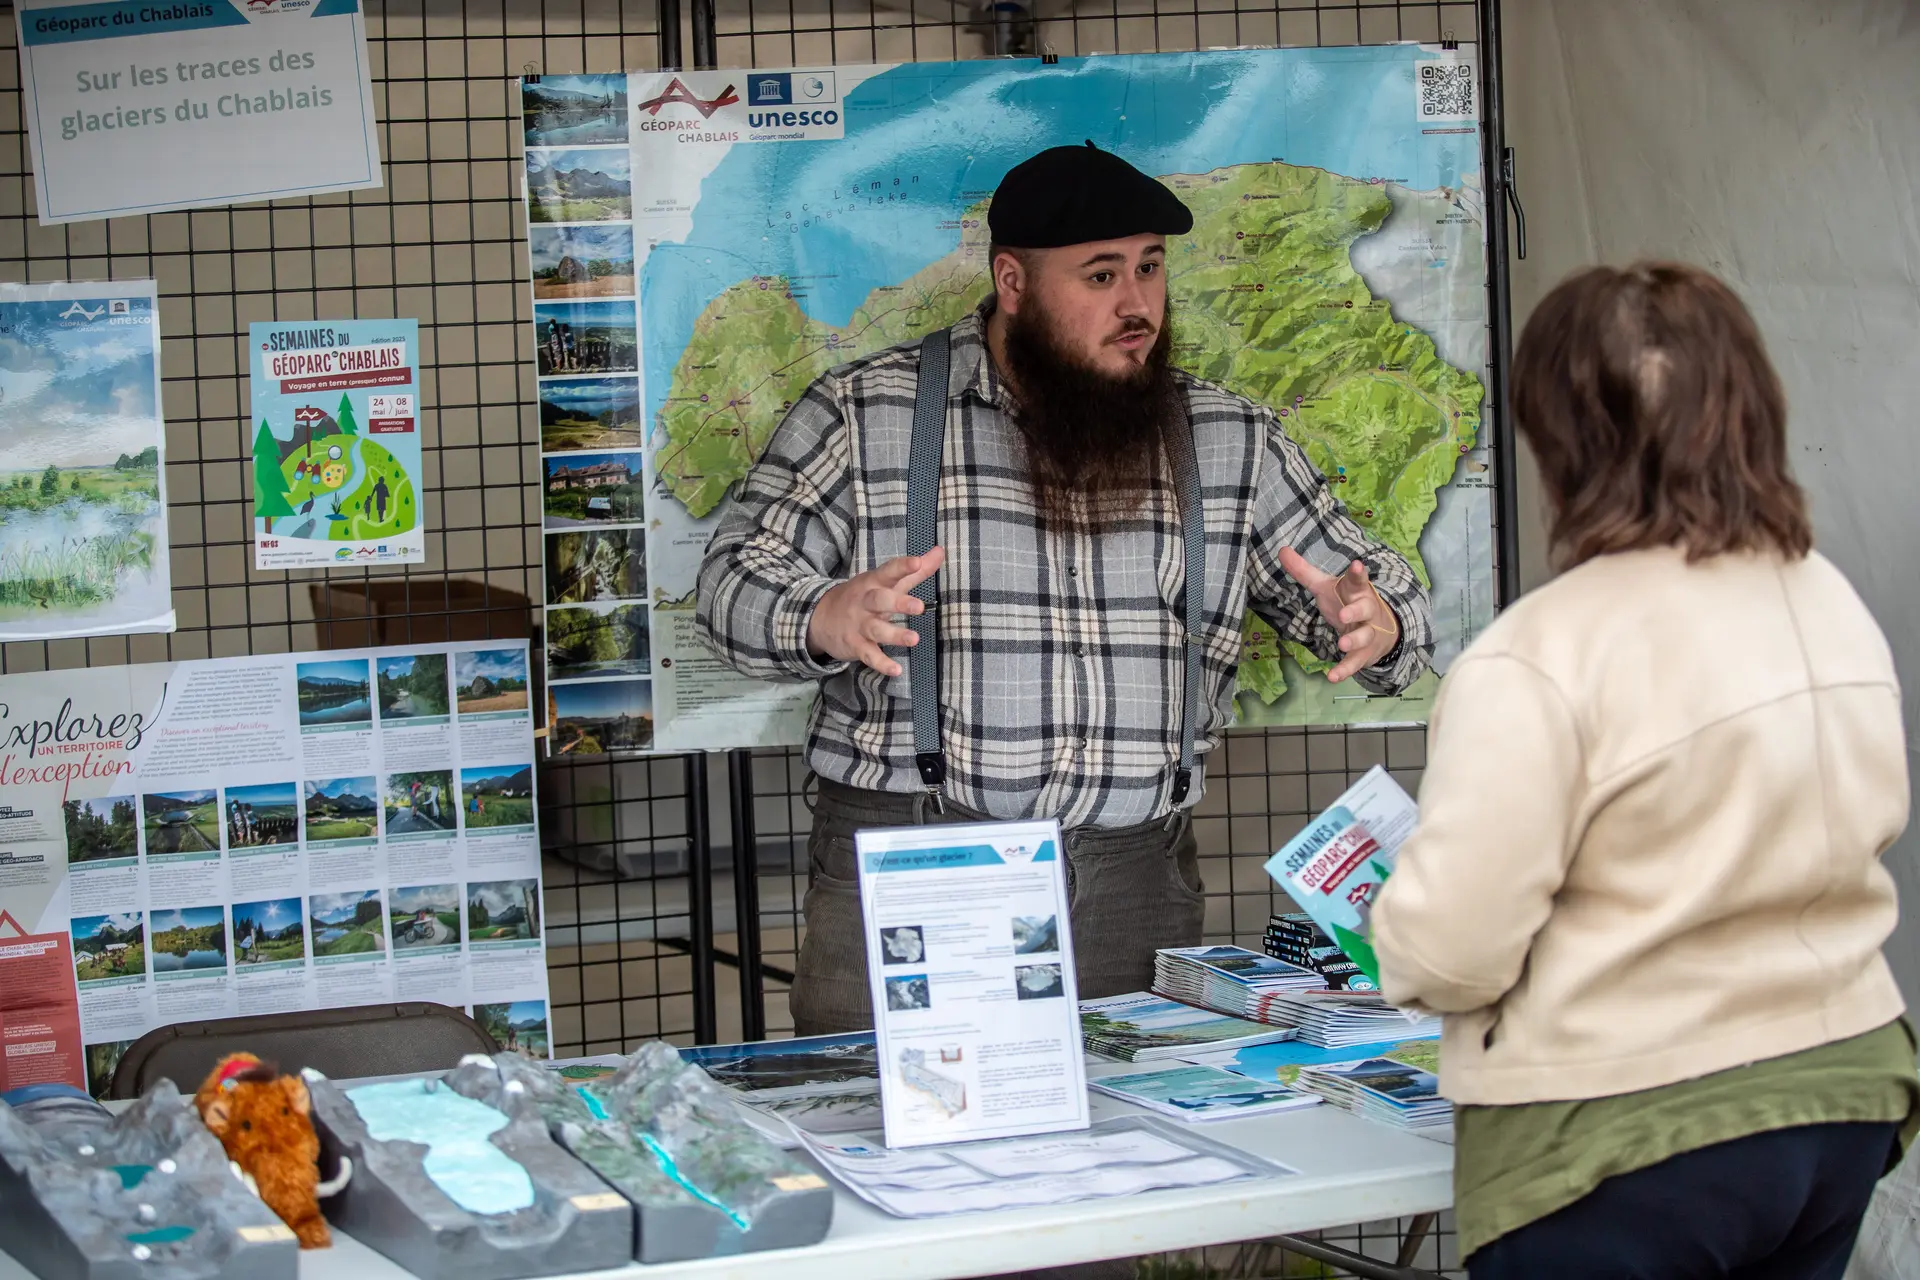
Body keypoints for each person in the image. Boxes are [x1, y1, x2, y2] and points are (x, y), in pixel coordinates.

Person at [699, 141, 1435, 1036]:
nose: (1138, 305)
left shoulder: (1228, 436)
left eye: (1150, 268)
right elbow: (731, 586)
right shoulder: (865, 413)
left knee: (1139, 1113)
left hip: (1136, 884)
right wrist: (822, 614)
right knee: (877, 1108)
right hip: (916, 869)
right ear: (1013, 282)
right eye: (1101, 275)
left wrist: (1377, 622)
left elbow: (1380, 594)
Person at [1370, 262, 1919, 1279]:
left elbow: (1451, 953)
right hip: (1842, 1086)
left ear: (1556, 436)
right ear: (1753, 405)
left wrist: (1391, 919)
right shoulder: (1826, 599)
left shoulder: (1541, 650)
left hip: (1627, 1127)